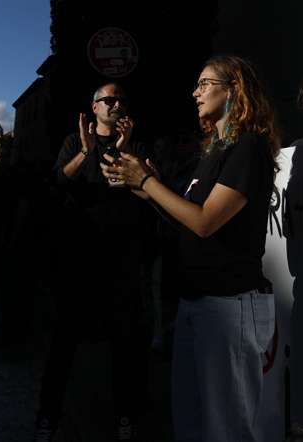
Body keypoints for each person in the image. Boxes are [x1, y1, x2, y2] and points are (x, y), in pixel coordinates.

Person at [102, 56, 280, 442]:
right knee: (192, 424)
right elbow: (185, 220)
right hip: (196, 302)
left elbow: (205, 221)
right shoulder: (214, 150)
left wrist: (148, 181)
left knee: (226, 430)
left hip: (229, 306)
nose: (194, 92)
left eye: (204, 83)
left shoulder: (248, 147)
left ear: (234, 88)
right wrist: (142, 188)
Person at [34, 81, 151, 442]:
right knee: (63, 342)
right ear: (95, 106)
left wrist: (124, 147)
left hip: (121, 260)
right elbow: (57, 182)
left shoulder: (136, 144)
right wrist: (85, 152)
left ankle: (125, 417)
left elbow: (144, 189)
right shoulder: (75, 143)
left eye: (121, 100)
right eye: (109, 99)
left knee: (125, 342)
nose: (116, 105)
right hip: (79, 259)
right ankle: (47, 417)